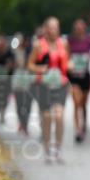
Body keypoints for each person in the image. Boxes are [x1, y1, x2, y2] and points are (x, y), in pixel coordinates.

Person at [29, 17, 70, 163]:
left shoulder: (64, 43)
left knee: (59, 115)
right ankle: (47, 150)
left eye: (56, 27)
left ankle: (58, 149)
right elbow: (30, 65)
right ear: (46, 29)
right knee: (46, 117)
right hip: (44, 84)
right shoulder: (38, 45)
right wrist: (40, 68)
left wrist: (70, 69)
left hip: (60, 84)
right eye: (50, 27)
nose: (53, 30)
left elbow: (67, 63)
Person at [12, 34, 35, 135]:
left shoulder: (31, 52)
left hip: (28, 79)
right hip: (18, 79)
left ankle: (25, 124)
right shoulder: (14, 52)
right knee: (19, 104)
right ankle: (21, 123)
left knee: (28, 104)